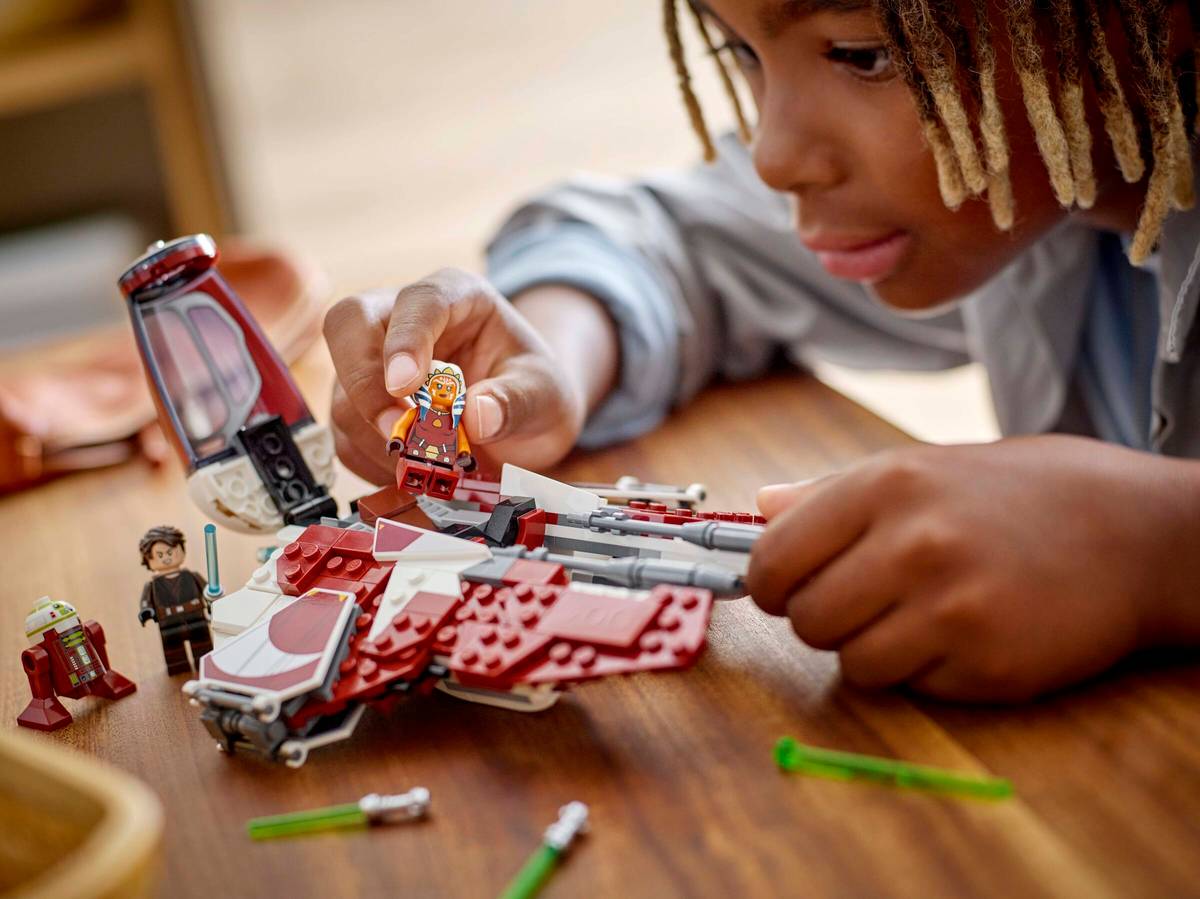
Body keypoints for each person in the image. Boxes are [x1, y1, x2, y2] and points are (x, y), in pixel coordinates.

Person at [323, 0, 1200, 702]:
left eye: (863, 54)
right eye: (740, 52)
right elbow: (682, 241)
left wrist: (1158, 546)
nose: (772, 155)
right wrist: (542, 361)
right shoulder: (1038, 191)